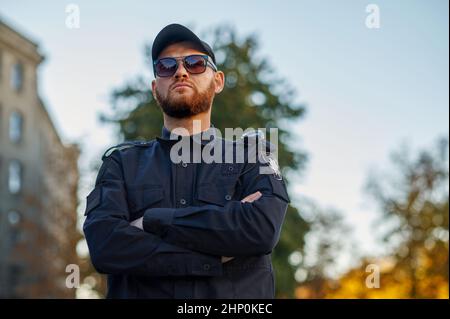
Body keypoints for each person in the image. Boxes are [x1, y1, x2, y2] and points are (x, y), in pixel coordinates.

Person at [83, 23, 290, 299]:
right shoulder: (121, 164)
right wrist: (213, 258)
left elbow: (261, 229)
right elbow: (105, 246)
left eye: (194, 63)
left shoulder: (253, 155)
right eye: (166, 66)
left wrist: (151, 221)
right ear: (156, 88)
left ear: (218, 81)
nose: (180, 71)